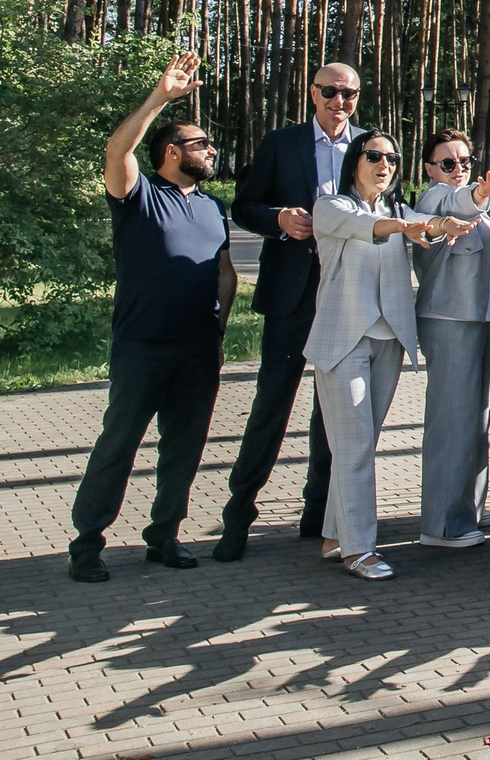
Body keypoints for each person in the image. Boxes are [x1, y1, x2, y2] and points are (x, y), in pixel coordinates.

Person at [68, 52, 236, 582]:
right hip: (143, 346)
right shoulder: (138, 195)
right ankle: (87, 544)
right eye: (201, 144)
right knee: (118, 445)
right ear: (171, 151)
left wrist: (217, 333)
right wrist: (160, 98)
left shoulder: (212, 206)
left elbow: (225, 272)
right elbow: (116, 150)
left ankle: (164, 536)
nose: (211, 150)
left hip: (198, 349)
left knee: (184, 449)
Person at [308, 130, 471, 580]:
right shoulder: (331, 206)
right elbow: (370, 228)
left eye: (392, 159)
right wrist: (404, 227)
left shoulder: (397, 209)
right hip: (342, 341)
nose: (384, 165)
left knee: (359, 443)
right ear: (355, 161)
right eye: (374, 156)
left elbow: (426, 223)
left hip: (388, 339)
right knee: (356, 445)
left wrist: (446, 224)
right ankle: (359, 549)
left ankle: (334, 535)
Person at [217, 59, 360, 560]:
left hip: (346, 295)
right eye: (330, 91)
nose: (339, 101)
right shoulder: (282, 144)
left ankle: (318, 513)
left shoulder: (368, 146)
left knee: (333, 412)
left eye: (349, 94)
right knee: (271, 406)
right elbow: (244, 206)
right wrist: (277, 219)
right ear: (313, 93)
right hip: (292, 295)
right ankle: (238, 516)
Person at [411, 128, 490, 549]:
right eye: (448, 163)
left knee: (477, 415)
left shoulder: (473, 208)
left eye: (465, 162)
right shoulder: (434, 200)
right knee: (452, 420)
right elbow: (456, 204)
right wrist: (478, 193)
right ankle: (444, 524)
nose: (458, 169)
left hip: (478, 320)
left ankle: (469, 506)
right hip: (449, 318)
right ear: (430, 169)